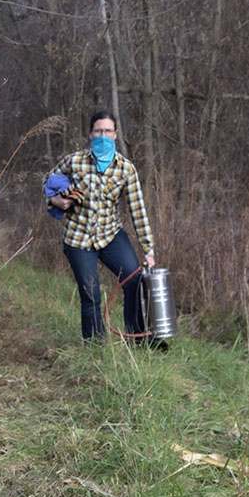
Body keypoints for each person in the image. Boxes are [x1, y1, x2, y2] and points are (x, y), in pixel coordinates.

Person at [45, 111, 156, 342]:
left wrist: (149, 250)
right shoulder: (74, 161)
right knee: (91, 293)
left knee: (134, 279)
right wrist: (55, 200)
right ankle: (95, 347)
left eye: (107, 131)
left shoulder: (126, 169)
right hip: (78, 238)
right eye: (98, 131)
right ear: (90, 134)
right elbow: (48, 180)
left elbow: (138, 211)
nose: (103, 135)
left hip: (110, 235)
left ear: (115, 134)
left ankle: (137, 336)